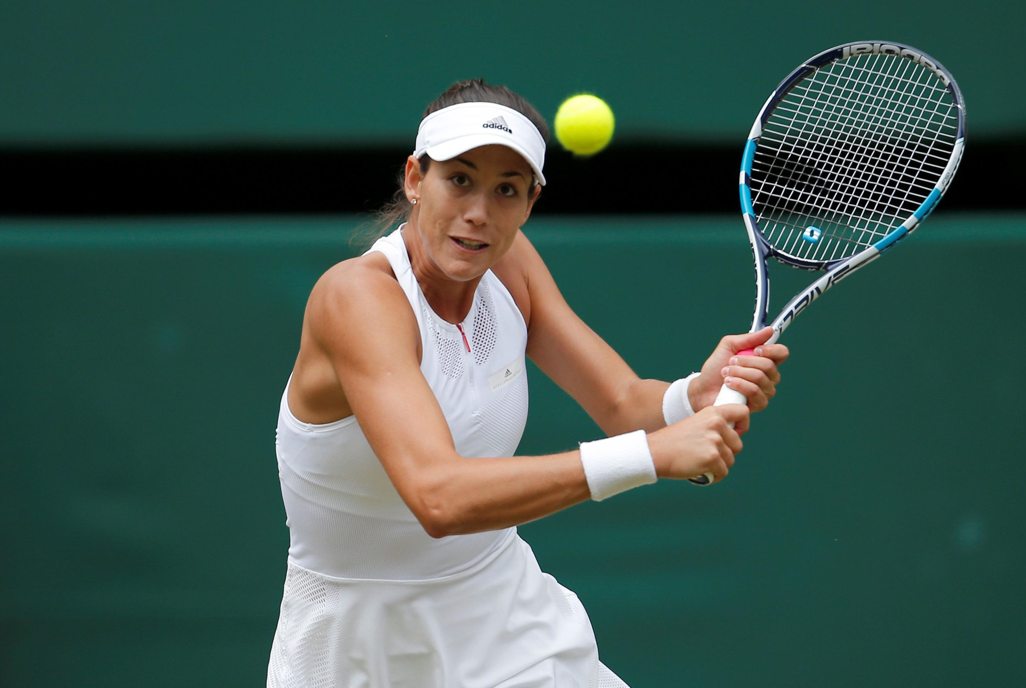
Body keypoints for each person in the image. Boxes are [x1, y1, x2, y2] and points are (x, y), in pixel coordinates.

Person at [266, 79, 789, 687]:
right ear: (414, 179)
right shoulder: (356, 297)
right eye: (459, 179)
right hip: (360, 651)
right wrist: (651, 454)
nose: (479, 212)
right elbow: (439, 496)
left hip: (507, 625)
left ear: (530, 203)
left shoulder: (509, 266)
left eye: (506, 190)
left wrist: (689, 397)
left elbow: (624, 404)